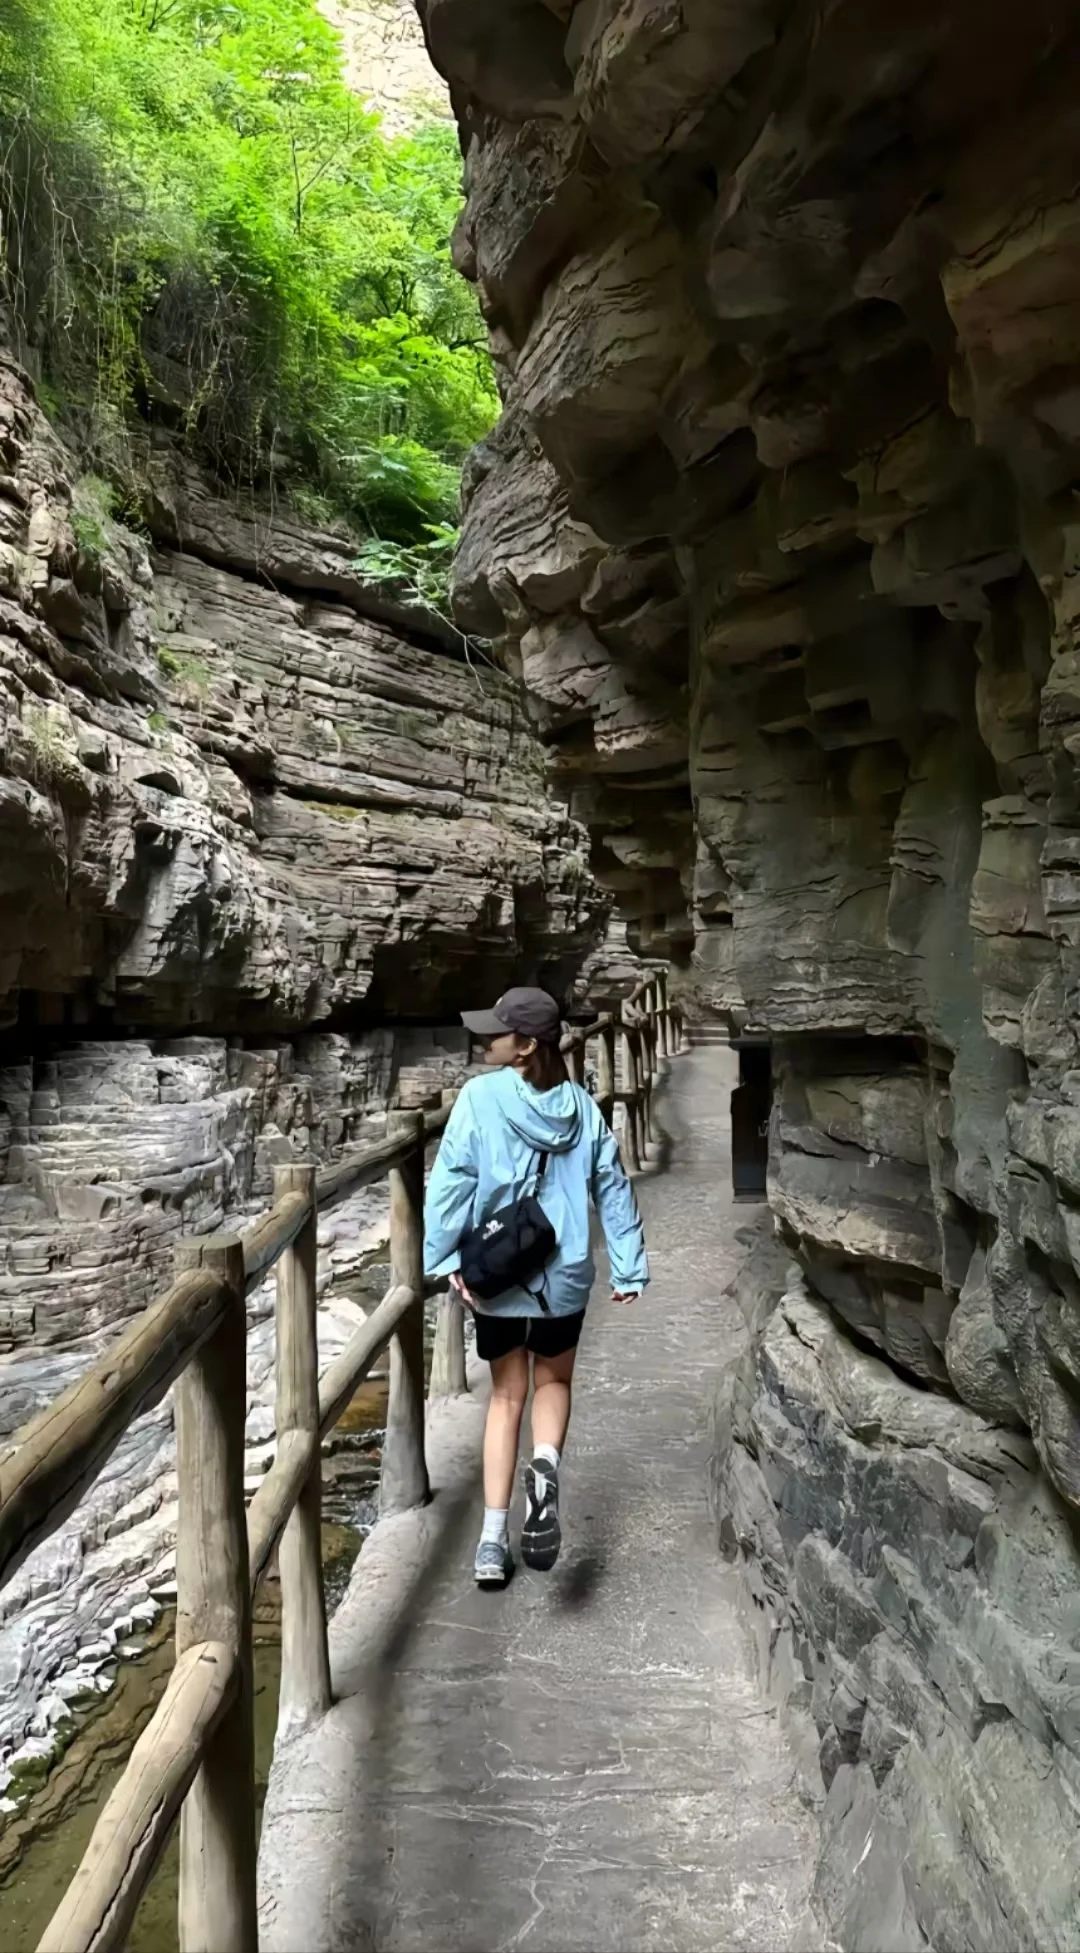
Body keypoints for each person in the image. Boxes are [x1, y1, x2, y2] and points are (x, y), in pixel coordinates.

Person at [423, 986, 648, 1586]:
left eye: (496, 1032)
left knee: (505, 1397)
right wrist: (627, 1265)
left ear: (524, 1046)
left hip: (498, 1274)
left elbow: (452, 1180)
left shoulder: (480, 1098)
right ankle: (544, 1463)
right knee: (554, 1381)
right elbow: (613, 1186)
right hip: (565, 1271)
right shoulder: (582, 1109)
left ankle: (492, 1541)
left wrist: (443, 1255)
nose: (484, 1039)